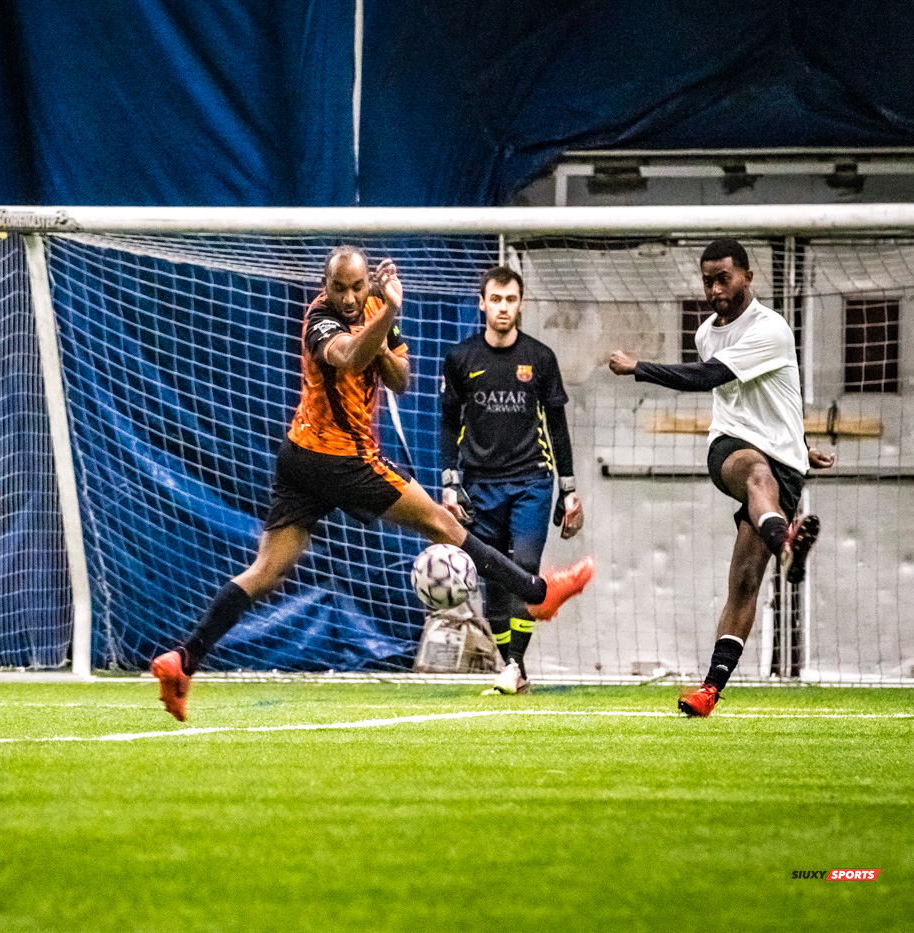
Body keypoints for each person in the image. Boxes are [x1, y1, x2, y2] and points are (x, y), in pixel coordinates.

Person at [149, 247, 595, 721]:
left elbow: (399, 377)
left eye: (356, 287)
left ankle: (185, 659)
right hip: (338, 458)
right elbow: (347, 356)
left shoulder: (375, 306)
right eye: (338, 287)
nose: (347, 296)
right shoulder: (320, 318)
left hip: (303, 458)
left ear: (367, 283)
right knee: (441, 523)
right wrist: (388, 312)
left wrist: (384, 322)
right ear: (326, 285)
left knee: (267, 572)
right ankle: (537, 592)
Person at [608, 238, 832, 717]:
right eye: (707, 280)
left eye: (723, 278)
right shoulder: (708, 331)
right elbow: (732, 396)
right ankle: (787, 540)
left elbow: (712, 378)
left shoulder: (771, 329)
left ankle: (709, 689)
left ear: (748, 277)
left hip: (784, 465)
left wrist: (638, 367)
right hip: (730, 448)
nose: (713, 289)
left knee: (745, 582)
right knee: (752, 470)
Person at [440, 267, 583, 696]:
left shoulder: (540, 358)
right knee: (492, 582)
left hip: (530, 482)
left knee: (523, 568)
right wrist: (450, 483)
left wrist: (569, 489)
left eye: (511, 299)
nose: (503, 307)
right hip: (478, 486)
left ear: (521, 304)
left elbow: (557, 426)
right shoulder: (460, 358)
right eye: (496, 299)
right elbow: (448, 425)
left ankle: (515, 666)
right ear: (482, 303)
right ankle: (512, 667)